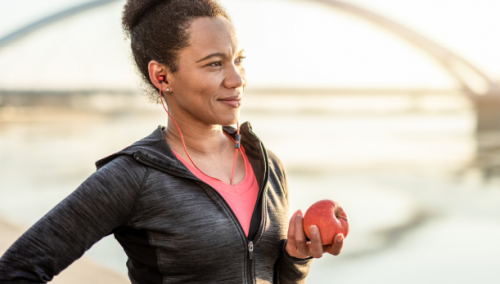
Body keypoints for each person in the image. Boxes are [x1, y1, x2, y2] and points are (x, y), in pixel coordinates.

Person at [0, 0, 344, 283]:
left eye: (238, 60)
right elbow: (17, 271)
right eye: (214, 64)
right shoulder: (132, 176)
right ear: (161, 76)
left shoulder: (268, 164)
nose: (237, 78)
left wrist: (296, 259)